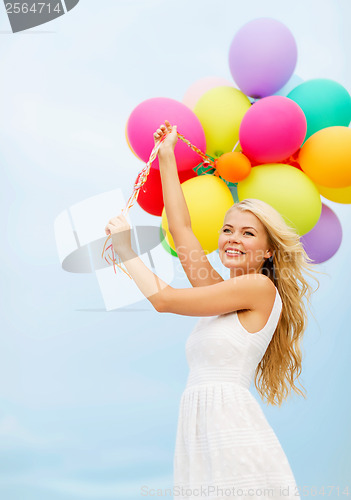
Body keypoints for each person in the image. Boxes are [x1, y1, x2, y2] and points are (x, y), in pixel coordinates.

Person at [105, 120, 320, 499]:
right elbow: (182, 229)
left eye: (248, 233)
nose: (233, 238)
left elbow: (165, 300)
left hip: (231, 432)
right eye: (227, 229)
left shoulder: (259, 288)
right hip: (200, 431)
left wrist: (126, 251)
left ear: (269, 250)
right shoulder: (222, 293)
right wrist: (168, 156)